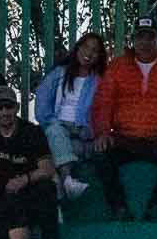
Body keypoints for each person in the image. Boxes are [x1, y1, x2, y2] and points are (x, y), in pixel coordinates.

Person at [90, 17, 157, 221]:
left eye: (150, 37)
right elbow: (103, 103)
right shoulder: (117, 67)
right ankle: (119, 208)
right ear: (133, 40)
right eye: (140, 37)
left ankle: (156, 208)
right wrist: (102, 132)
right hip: (124, 138)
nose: (145, 42)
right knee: (99, 154)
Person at [0, 83, 64, 239]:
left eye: (8, 106)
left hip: (27, 193)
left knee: (47, 188)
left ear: (17, 107)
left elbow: (47, 169)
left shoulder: (32, 132)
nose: (4, 112)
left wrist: (23, 180)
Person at [36, 31, 105, 202]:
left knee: (62, 150)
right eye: (86, 47)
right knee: (55, 133)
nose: (89, 53)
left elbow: (102, 111)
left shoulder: (99, 80)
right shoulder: (59, 73)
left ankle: (60, 193)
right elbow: (42, 102)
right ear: (78, 48)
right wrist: (53, 122)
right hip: (59, 126)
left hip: (83, 133)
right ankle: (67, 180)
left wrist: (89, 130)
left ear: (99, 56)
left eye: (95, 50)